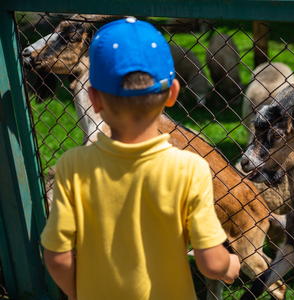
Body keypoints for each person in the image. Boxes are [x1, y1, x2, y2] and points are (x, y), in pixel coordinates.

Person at [41, 17, 240, 300]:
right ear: (172, 93)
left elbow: (57, 258)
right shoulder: (189, 169)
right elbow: (211, 262)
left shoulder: (72, 166)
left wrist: (76, 294)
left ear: (94, 100)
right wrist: (231, 266)